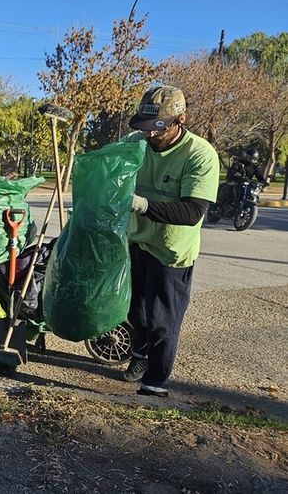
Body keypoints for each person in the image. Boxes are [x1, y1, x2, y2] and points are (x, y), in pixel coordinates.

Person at [121, 85, 220, 397]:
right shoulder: (135, 143)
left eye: (158, 128)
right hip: (137, 241)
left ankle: (155, 383)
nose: (150, 135)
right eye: (146, 127)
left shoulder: (200, 154)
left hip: (171, 252)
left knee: (162, 322)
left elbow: (192, 211)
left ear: (181, 120)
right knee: (134, 311)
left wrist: (142, 205)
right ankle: (139, 357)